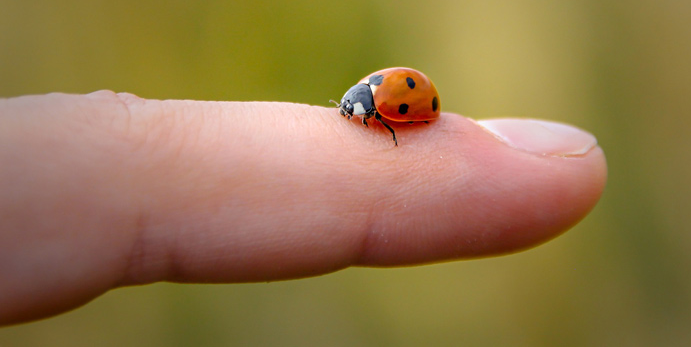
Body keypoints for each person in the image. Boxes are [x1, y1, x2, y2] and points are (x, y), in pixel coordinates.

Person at [0, 91, 606, 325]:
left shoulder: (380, 103)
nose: (353, 119)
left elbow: (407, 112)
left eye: (354, 113)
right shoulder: (371, 101)